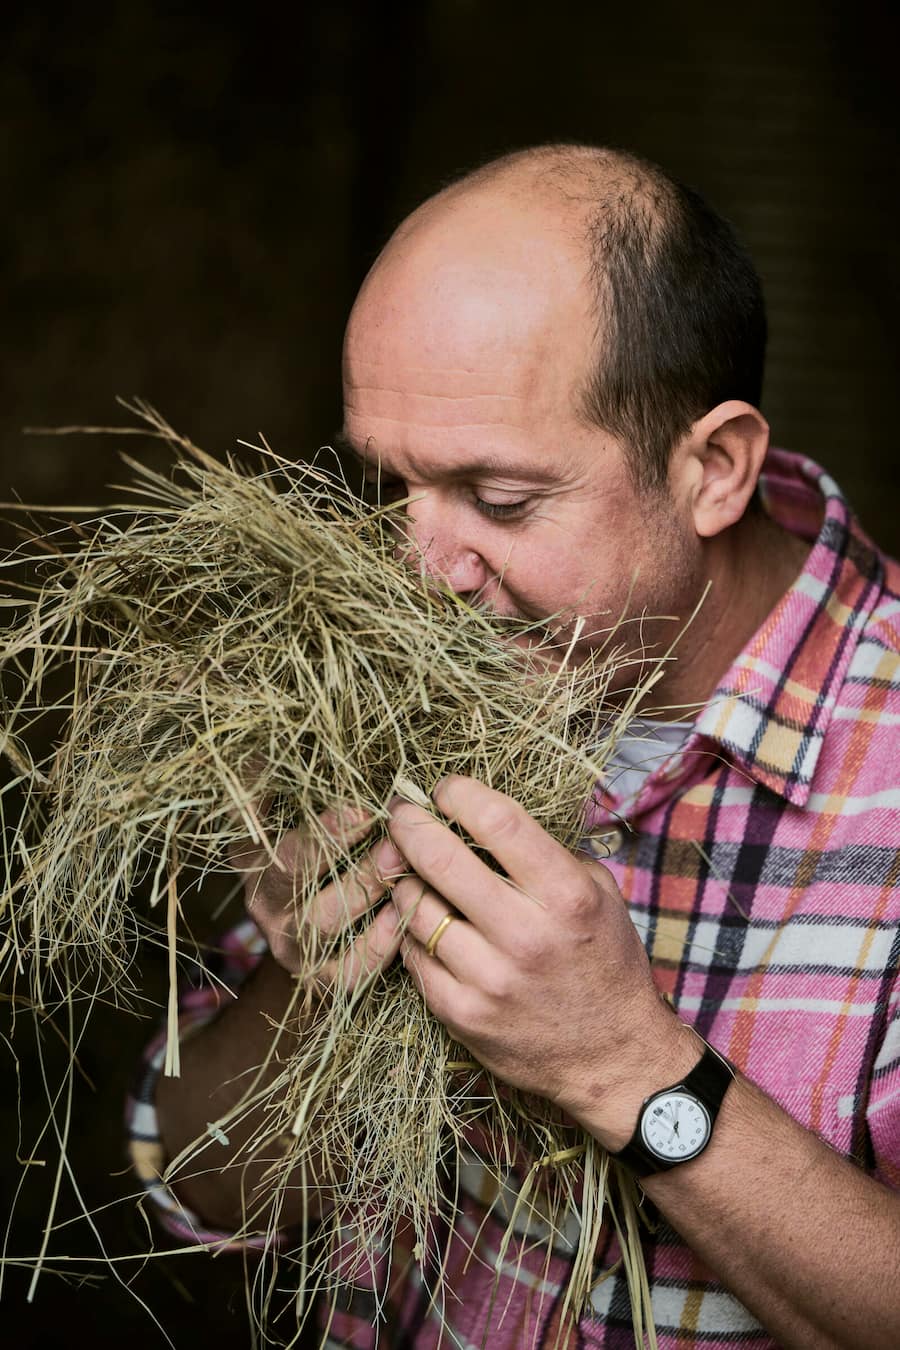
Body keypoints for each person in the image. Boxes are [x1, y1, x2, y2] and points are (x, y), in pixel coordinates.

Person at [133, 144, 900, 1348]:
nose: (418, 579)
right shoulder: (378, 672)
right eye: (391, 486)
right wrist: (302, 985)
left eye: (499, 501)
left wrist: (623, 1065)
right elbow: (198, 1191)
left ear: (713, 469)